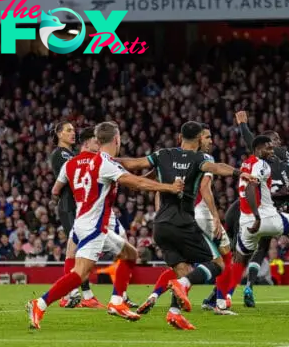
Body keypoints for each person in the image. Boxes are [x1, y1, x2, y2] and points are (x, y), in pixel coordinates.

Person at [27, 122, 184, 330]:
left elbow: (57, 190)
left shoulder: (74, 163)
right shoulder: (104, 163)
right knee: (80, 274)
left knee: (130, 253)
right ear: (116, 139)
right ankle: (40, 303)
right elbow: (137, 183)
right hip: (94, 226)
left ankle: (117, 302)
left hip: (80, 221)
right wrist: (169, 187)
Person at [118, 121, 254, 329]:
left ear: (180, 137)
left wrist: (105, 158)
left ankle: (174, 313)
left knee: (183, 268)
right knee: (217, 264)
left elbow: (134, 163)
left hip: (161, 226)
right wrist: (239, 173)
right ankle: (184, 287)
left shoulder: (162, 154)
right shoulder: (200, 158)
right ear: (200, 138)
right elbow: (217, 168)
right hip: (183, 223)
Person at [136, 123, 235, 317]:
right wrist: (215, 216)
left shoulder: (167, 157)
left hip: (167, 220)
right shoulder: (204, 159)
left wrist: (160, 212)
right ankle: (220, 302)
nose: (210, 141)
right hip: (197, 214)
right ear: (198, 138)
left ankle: (162, 300)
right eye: (206, 137)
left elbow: (156, 185)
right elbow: (205, 188)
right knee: (222, 259)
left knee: (183, 266)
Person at [233, 111, 289, 308]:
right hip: (280, 210)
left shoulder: (256, 163)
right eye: (274, 141)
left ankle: (245, 286)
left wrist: (243, 125)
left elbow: (250, 142)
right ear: (265, 145)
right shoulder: (278, 156)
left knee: (259, 249)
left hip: (264, 210)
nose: (278, 143)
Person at [53, 127, 137, 310]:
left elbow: (55, 190)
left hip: (84, 212)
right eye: (95, 140)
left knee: (74, 252)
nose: (98, 143)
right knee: (121, 250)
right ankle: (113, 297)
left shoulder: (72, 163)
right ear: (87, 142)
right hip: (94, 212)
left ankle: (78, 295)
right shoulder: (96, 160)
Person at [49, 121, 97, 308]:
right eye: (68, 130)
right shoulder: (60, 154)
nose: (72, 133)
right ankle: (74, 294)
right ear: (59, 134)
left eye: (73, 131)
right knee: (78, 249)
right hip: (69, 206)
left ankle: (78, 294)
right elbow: (70, 179)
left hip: (78, 207)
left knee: (79, 249)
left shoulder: (72, 155)